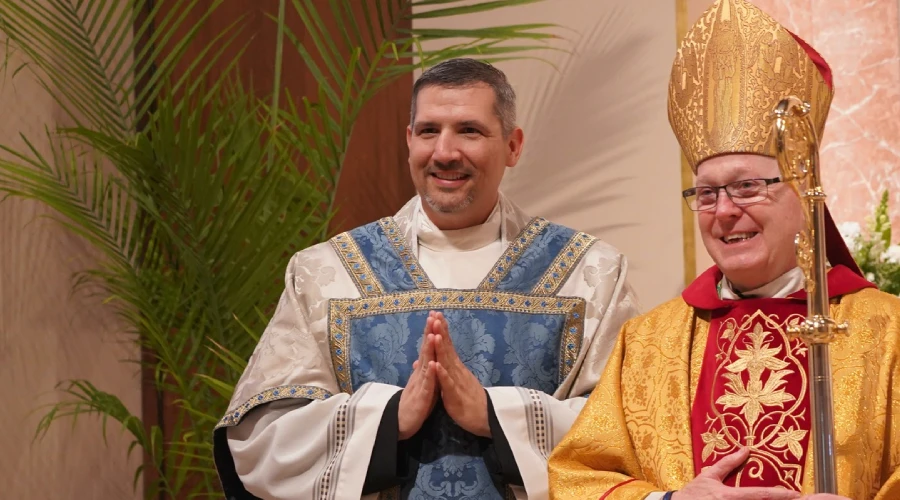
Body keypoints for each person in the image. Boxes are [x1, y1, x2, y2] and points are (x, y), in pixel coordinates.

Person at [212, 58, 641, 500]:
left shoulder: (588, 274)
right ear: (409, 141)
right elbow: (264, 442)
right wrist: (388, 419)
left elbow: (632, 426)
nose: (445, 152)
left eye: (469, 131)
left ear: (513, 146)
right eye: (429, 131)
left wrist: (494, 414)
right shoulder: (327, 274)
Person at [546, 0, 900, 499]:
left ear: (804, 192)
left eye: (747, 186)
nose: (725, 210)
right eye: (707, 193)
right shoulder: (647, 343)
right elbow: (576, 476)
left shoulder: (888, 331)